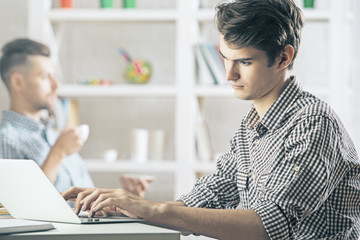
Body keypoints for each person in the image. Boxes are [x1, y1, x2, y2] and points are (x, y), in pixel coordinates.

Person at [62, 0, 360, 239]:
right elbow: (208, 197)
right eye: (225, 59)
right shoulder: (251, 126)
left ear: (283, 57)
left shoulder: (313, 123)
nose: (229, 75)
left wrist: (152, 208)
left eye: (244, 62)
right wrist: (123, 206)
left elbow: (268, 226)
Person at [0, 38, 153, 196]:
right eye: (45, 77)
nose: (56, 85)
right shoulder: (6, 139)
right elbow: (18, 207)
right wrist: (58, 153)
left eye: (54, 76)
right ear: (17, 82)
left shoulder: (54, 135)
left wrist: (126, 200)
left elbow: (86, 204)